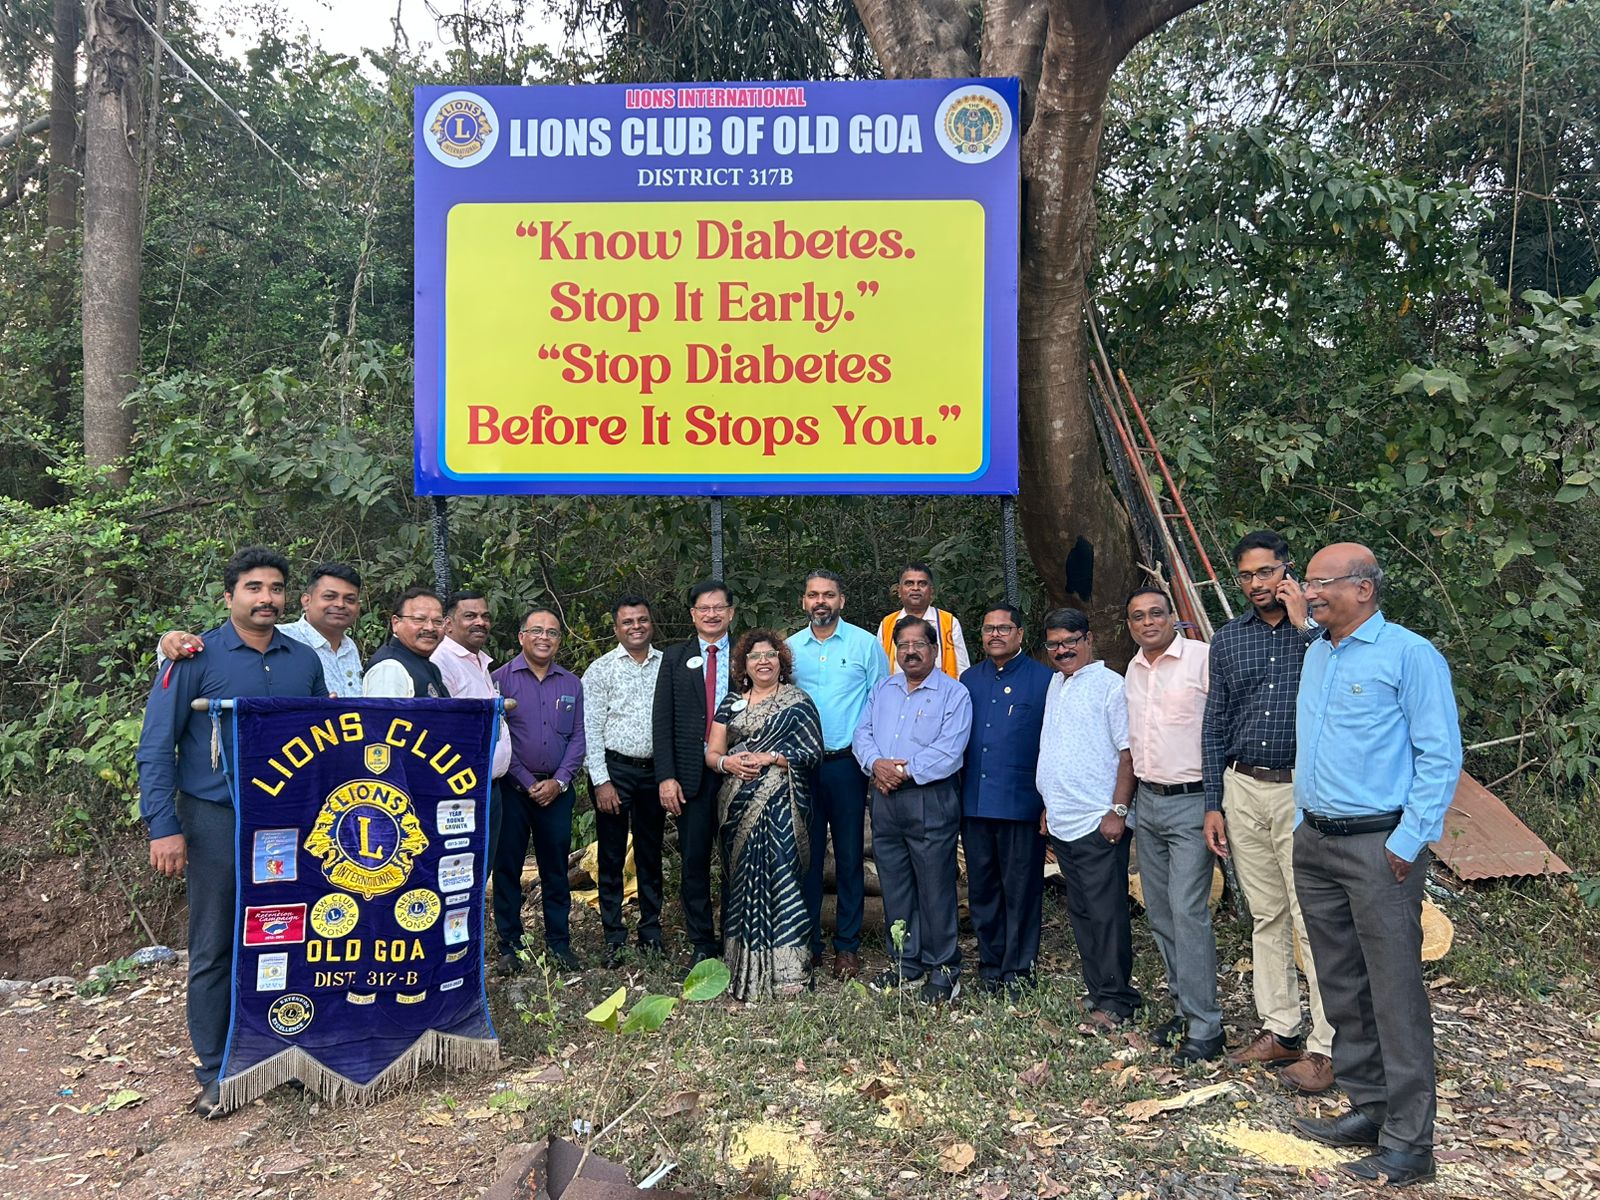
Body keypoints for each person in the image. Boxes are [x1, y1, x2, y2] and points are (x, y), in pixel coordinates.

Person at [1288, 544, 1462, 1188]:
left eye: (1320, 583)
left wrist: (1408, 840)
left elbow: (1440, 755)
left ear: (1363, 589)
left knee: (1394, 993)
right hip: (1317, 842)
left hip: (1378, 845)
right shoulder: (1316, 654)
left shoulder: (1410, 655)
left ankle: (1411, 1144)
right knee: (1340, 983)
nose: (1309, 594)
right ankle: (1369, 1106)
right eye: (1307, 584)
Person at [134, 547, 327, 1119]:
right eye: (253, 587)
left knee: (290, 935)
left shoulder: (303, 660)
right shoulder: (193, 656)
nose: (266, 597)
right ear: (229, 596)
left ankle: (283, 1050)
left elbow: (324, 740)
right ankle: (217, 1067)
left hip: (288, 821)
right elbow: (156, 745)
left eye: (275, 588)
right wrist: (163, 826)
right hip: (216, 818)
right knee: (216, 941)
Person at [1202, 530, 1334, 1094]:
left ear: (1288, 571)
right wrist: (1213, 801)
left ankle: (1329, 1046)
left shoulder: (1325, 636)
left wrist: (1306, 623)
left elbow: (1336, 690)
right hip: (1244, 787)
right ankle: (1281, 1029)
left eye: (1266, 573)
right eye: (1247, 576)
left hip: (1302, 792)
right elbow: (1215, 721)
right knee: (1267, 913)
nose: (1257, 585)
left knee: (1313, 918)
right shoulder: (1230, 640)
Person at [1123, 586, 1223, 1064]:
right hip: (1149, 802)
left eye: (1156, 614)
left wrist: (1216, 802)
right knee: (1160, 912)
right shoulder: (1133, 668)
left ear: (1174, 618)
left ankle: (1207, 1027)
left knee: (1188, 911)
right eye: (1138, 617)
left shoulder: (1203, 659)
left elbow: (1223, 724)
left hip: (1192, 802)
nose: (1148, 623)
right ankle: (1185, 1008)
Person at [853, 615, 973, 1004]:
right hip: (885, 800)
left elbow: (949, 750)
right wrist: (875, 765)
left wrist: (900, 771)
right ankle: (906, 962)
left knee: (935, 886)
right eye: (902, 645)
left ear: (934, 650)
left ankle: (944, 968)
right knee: (895, 884)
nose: (910, 652)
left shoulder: (954, 694)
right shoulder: (883, 690)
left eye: (918, 644)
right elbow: (863, 733)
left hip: (929, 798)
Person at [1035, 607, 1142, 1031]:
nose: (1063, 650)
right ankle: (1099, 990)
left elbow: (1127, 753)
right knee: (1081, 911)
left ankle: (1117, 1000)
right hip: (1063, 818)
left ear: (1088, 640)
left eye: (1070, 642)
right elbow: (1056, 748)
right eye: (1054, 644)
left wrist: (1118, 810)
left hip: (1100, 821)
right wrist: (1048, 801)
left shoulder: (1110, 686)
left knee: (1106, 912)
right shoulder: (1055, 685)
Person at [704, 630, 823, 1000]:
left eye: (770, 655)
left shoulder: (798, 703)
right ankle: (741, 967)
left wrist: (771, 757)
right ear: (744, 665)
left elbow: (812, 752)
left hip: (784, 803)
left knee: (784, 874)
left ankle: (789, 973)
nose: (763, 662)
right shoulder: (730, 703)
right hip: (737, 805)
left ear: (781, 662)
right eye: (755, 657)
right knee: (741, 880)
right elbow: (713, 753)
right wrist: (729, 762)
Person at [786, 569, 888, 980]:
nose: (821, 602)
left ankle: (847, 946)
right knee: (806, 858)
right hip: (802, 766)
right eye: (813, 595)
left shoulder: (866, 645)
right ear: (803, 602)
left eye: (828, 594)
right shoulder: (789, 650)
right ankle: (809, 942)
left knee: (848, 857)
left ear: (842, 600)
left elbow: (882, 702)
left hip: (848, 764)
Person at [959, 604, 1052, 997]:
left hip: (1021, 803)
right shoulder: (968, 679)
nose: (995, 635)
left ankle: (1019, 969)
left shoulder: (1044, 679)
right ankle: (990, 965)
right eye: (989, 629)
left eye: (1004, 628)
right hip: (975, 803)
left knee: (1021, 889)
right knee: (983, 889)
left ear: (1019, 634)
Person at [492, 607, 586, 974]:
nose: (545, 637)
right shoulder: (499, 679)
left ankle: (560, 945)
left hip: (557, 791)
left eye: (552, 632)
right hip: (513, 791)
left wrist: (559, 781)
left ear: (560, 640)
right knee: (507, 868)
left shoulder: (571, 683)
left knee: (555, 870)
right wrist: (528, 783)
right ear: (521, 636)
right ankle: (510, 947)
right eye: (537, 630)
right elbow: (500, 739)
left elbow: (579, 737)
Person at [652, 579, 736, 968]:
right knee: (695, 859)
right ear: (693, 615)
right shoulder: (675, 657)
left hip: (739, 770)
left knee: (738, 857)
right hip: (690, 777)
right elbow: (662, 721)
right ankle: (703, 940)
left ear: (731, 612)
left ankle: (738, 934)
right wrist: (665, 776)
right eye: (704, 608)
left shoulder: (748, 654)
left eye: (719, 607)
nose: (712, 614)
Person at [581, 595, 667, 966]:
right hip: (615, 772)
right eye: (628, 622)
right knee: (612, 855)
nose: (636, 627)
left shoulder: (668, 666)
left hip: (656, 772)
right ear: (616, 629)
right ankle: (614, 935)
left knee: (650, 853)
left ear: (652, 623)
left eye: (642, 620)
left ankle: (651, 930)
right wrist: (601, 781)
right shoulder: (600, 670)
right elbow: (590, 730)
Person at [156, 562, 365, 695]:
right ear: (306, 601)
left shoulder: (350, 648)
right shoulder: (281, 640)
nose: (340, 604)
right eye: (329, 596)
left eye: (349, 599)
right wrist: (169, 639)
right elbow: (195, 654)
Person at [877, 562, 969, 678]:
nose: (915, 588)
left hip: (941, 694)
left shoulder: (949, 623)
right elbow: (879, 669)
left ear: (931, 591)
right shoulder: (887, 624)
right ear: (899, 591)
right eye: (909, 583)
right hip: (896, 693)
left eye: (922, 584)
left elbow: (962, 669)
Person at [363, 587, 448, 697]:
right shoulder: (390, 669)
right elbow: (382, 713)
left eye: (438, 621)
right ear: (396, 623)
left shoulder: (425, 663)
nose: (430, 628)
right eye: (419, 619)